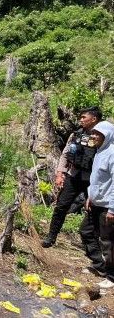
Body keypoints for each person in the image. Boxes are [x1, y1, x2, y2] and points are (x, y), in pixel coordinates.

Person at [43, 107, 103, 248]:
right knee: (61, 206)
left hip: (93, 180)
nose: (80, 120)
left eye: (84, 117)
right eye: (80, 117)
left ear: (94, 119)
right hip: (74, 175)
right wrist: (60, 173)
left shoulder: (103, 137)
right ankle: (51, 237)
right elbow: (65, 154)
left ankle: (93, 243)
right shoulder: (76, 134)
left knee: (94, 210)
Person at [82, 120, 114, 287]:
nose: (93, 136)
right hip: (95, 202)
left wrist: (112, 209)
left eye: (97, 134)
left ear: (107, 136)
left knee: (107, 241)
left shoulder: (112, 153)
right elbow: (96, 179)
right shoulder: (99, 151)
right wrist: (90, 196)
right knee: (86, 232)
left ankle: (111, 277)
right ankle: (99, 266)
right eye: (93, 133)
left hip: (107, 206)